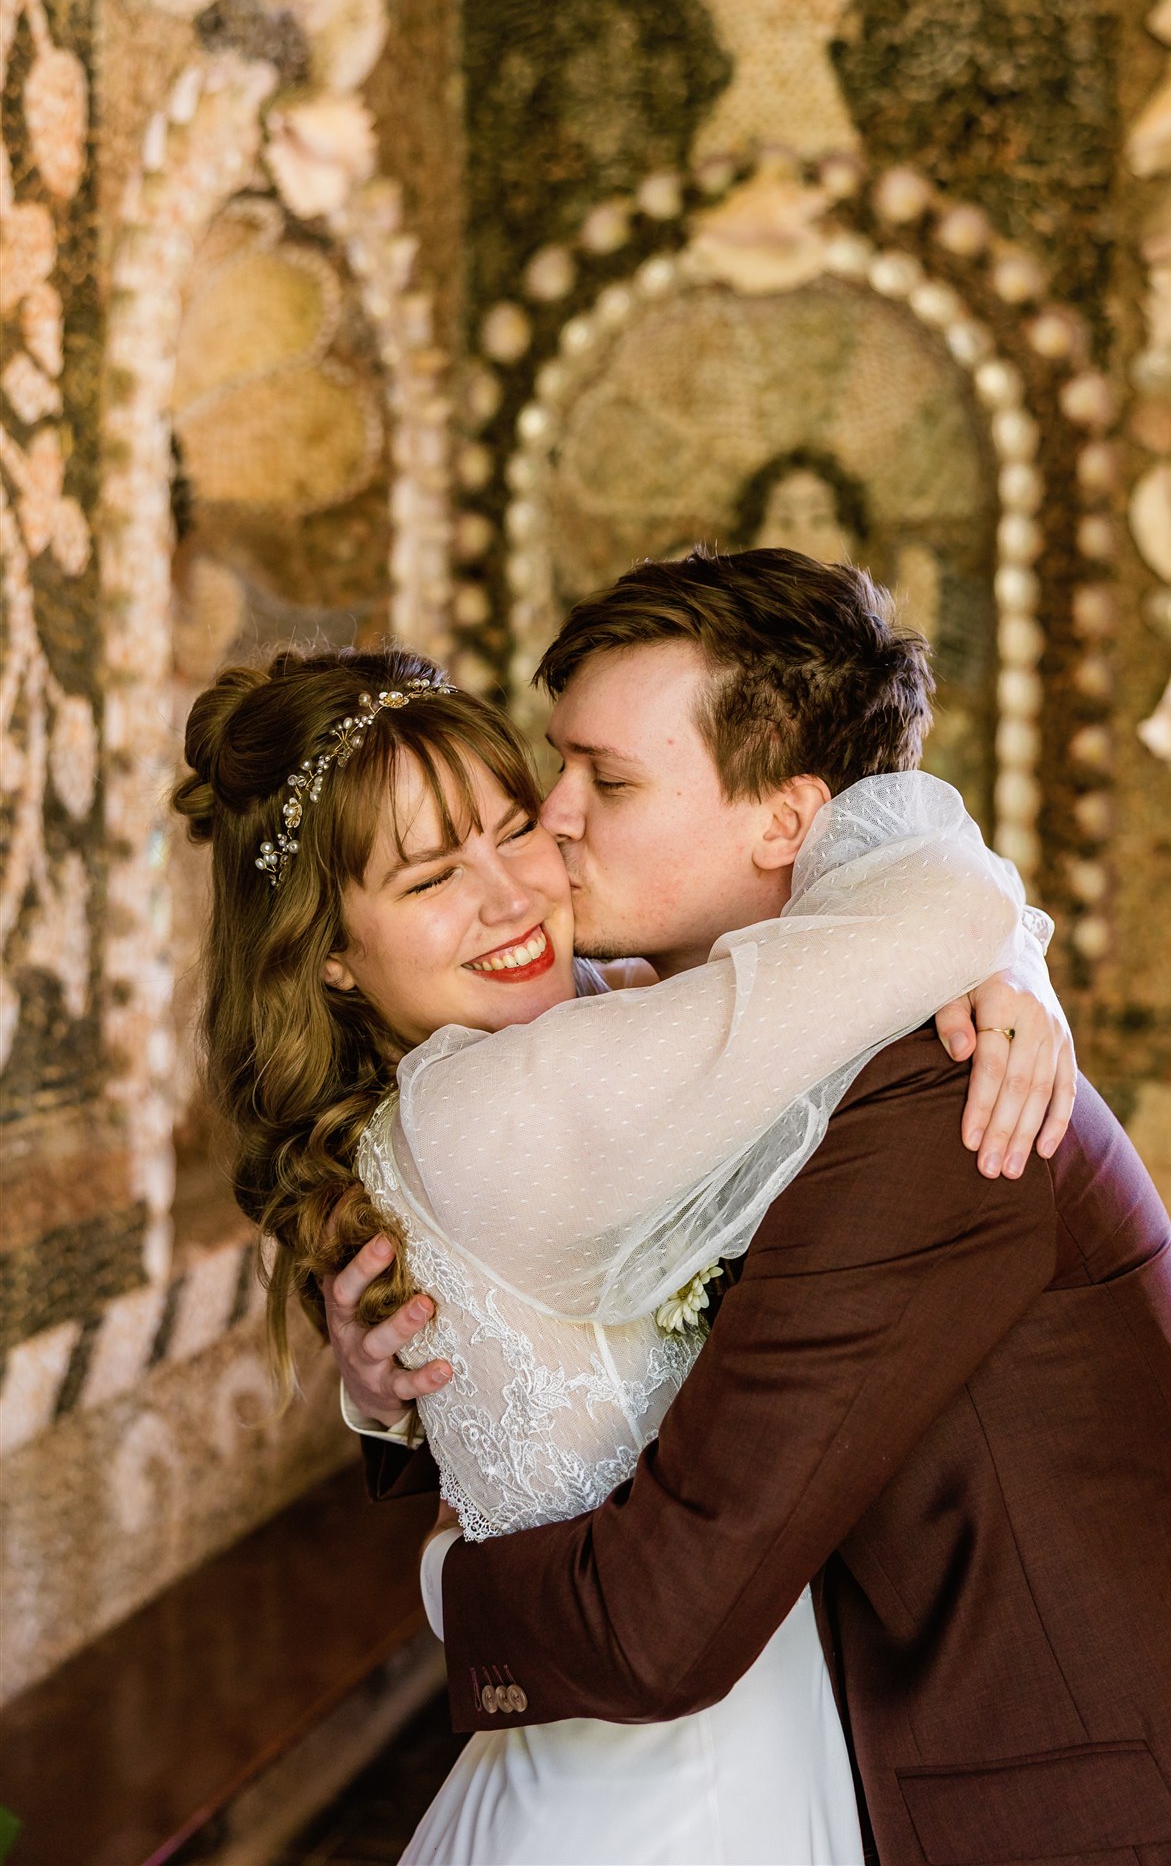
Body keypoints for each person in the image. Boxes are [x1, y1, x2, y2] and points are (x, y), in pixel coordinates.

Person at [334, 549, 1171, 1866]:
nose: (553, 820)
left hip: (1055, 1811)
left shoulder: (940, 1094)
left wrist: (441, 1586)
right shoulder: (725, 1045)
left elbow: (663, 1618)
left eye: (611, 781)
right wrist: (398, 1382)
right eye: (556, 763)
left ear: (785, 821)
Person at [174, 568, 1065, 1866]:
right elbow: (942, 901)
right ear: (325, 950)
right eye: (430, 876)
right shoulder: (514, 1098)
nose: (510, 894)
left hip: (644, 1752)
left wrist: (995, 965)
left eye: (512, 826)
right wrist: (1005, 959)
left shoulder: (570, 1021)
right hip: (668, 1802)